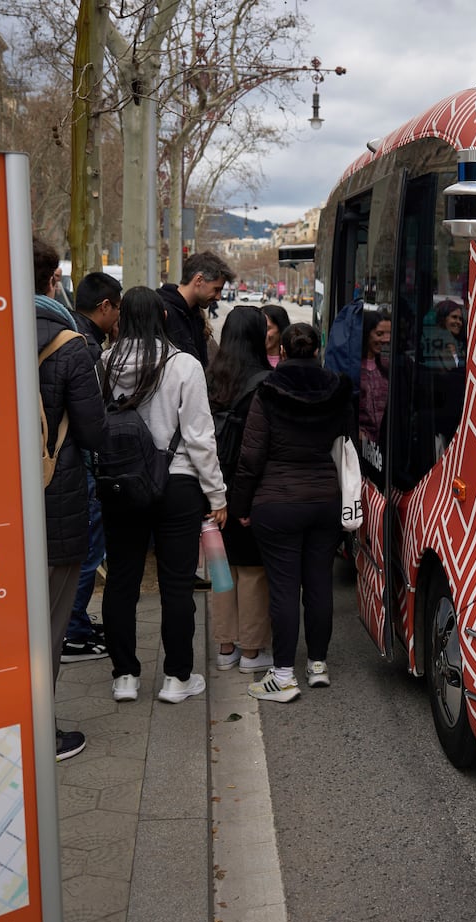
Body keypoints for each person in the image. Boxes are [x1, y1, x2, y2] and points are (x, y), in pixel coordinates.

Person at [100, 286, 227, 705]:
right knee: (176, 584)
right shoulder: (184, 365)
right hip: (178, 484)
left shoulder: (104, 362)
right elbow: (200, 436)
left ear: (121, 319)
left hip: (122, 485)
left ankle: (124, 677)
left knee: (122, 580)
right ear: (165, 318)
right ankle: (177, 677)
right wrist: (217, 494)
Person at [231, 323, 355, 703]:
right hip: (324, 500)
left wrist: (240, 505)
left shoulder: (268, 393)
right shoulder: (337, 389)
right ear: (316, 350)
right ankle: (317, 665)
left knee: (284, 588)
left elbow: (251, 456)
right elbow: (346, 438)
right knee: (318, 583)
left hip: (277, 501)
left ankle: (283, 674)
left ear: (282, 351)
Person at [33, 241, 107, 760]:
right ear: (53, 278)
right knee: (50, 624)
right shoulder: (68, 343)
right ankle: (41, 732)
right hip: (53, 499)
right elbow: (93, 431)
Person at [206, 306, 273, 675]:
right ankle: (250, 652)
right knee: (251, 571)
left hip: (212, 486)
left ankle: (224, 646)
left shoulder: (211, 376)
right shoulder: (264, 382)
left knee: (220, 568)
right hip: (250, 486)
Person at [61, 271, 122, 662]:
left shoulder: (72, 335)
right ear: (104, 307)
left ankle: (76, 624)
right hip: (81, 466)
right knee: (88, 551)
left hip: (67, 463)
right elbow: (90, 421)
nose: (118, 319)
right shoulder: (86, 348)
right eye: (117, 310)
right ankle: (74, 634)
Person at [157, 251, 234, 366]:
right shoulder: (162, 312)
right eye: (216, 289)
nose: (218, 297)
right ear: (199, 280)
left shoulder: (195, 315)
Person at [357, 309, 392, 444]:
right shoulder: (354, 367)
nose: (386, 339)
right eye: (379, 334)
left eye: (389, 334)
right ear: (366, 334)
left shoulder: (389, 366)